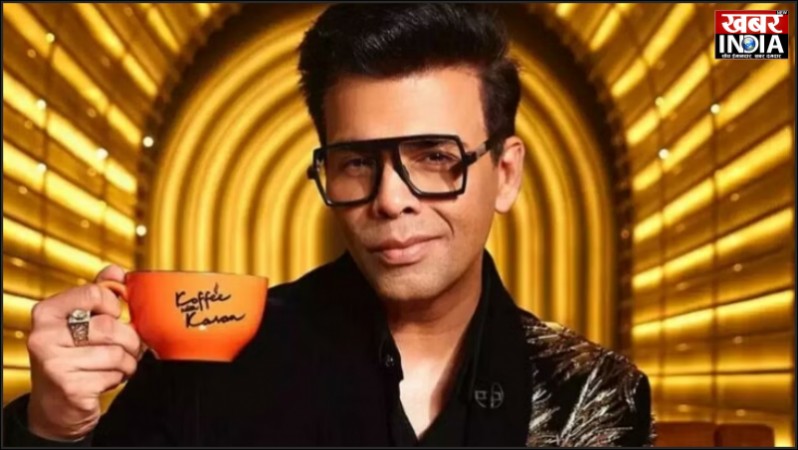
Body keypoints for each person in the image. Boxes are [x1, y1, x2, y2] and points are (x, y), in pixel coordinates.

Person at [3, 4, 653, 447]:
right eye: (357, 162)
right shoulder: (212, 356)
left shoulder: (591, 393)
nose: (391, 200)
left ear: (505, 174)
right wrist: (53, 426)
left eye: (434, 157)